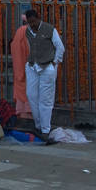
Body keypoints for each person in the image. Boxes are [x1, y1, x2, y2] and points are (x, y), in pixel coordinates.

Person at [23, 8, 64, 139]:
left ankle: (45, 130)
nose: (32, 25)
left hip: (47, 67)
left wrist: (55, 62)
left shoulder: (50, 29)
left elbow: (60, 47)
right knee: (31, 95)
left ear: (38, 18)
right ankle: (38, 126)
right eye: (30, 22)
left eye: (33, 21)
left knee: (45, 100)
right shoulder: (27, 31)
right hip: (32, 66)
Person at [9, 14, 32, 118]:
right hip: (30, 69)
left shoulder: (19, 32)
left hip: (19, 69)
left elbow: (14, 48)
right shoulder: (29, 32)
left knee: (22, 100)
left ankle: (24, 119)